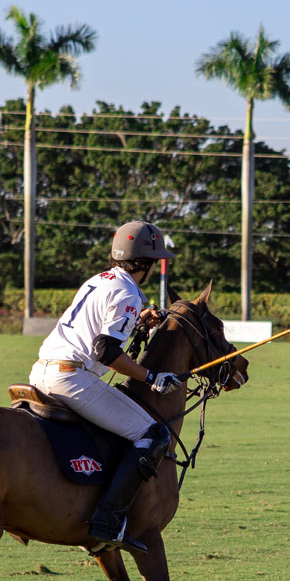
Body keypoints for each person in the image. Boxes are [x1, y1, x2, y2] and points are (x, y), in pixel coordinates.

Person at [30, 220, 183, 552]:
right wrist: (152, 377)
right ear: (145, 262)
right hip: (72, 378)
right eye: (155, 260)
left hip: (41, 371)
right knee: (155, 433)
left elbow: (104, 332)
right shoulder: (128, 291)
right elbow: (105, 350)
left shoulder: (100, 280)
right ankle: (107, 522)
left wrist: (138, 322)